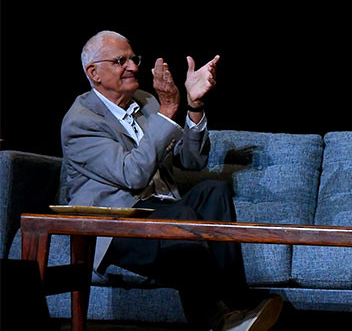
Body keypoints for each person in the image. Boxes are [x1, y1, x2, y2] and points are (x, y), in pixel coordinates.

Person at [61, 30, 282, 331]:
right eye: (120, 61)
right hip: (114, 224)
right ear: (94, 73)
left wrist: (194, 106)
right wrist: (166, 112)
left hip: (160, 209)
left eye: (133, 59)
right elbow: (132, 175)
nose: (133, 67)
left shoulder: (145, 102)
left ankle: (237, 308)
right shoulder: (82, 121)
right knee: (181, 216)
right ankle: (225, 318)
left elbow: (192, 161)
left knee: (213, 191)